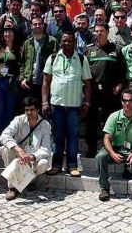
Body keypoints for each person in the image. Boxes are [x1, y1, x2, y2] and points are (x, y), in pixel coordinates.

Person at [42, 31, 92, 177]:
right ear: (60, 42)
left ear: (74, 43)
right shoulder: (52, 58)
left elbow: (88, 83)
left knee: (73, 136)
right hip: (56, 104)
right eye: (64, 40)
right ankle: (56, 165)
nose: (67, 43)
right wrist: (44, 102)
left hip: (75, 106)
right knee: (57, 136)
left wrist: (87, 103)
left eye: (70, 41)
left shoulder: (82, 59)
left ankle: (72, 166)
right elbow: (46, 82)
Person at [97, 89, 132, 201]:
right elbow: (106, 138)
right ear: (121, 102)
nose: (127, 103)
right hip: (116, 147)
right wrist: (112, 153)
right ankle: (104, 188)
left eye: (130, 101)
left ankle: (128, 167)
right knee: (101, 156)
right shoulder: (114, 116)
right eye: (124, 100)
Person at [0, 97, 52, 201]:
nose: (29, 112)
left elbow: (46, 148)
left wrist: (32, 157)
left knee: (44, 163)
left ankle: (29, 181)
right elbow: (4, 135)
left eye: (32, 110)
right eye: (26, 110)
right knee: (7, 149)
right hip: (19, 154)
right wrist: (18, 150)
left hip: (33, 155)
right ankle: (12, 188)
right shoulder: (18, 120)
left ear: (37, 110)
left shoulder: (45, 125)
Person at [84, 22, 124, 157]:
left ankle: (111, 148)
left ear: (107, 32)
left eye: (101, 31)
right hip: (93, 91)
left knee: (110, 120)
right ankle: (91, 149)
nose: (99, 33)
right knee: (91, 121)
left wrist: (120, 84)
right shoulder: (88, 50)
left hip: (110, 92)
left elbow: (123, 70)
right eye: (96, 31)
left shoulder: (116, 49)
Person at [20, 15, 59, 105]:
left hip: (47, 81)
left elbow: (57, 62)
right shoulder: (27, 43)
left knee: (46, 109)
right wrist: (22, 78)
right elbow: (22, 63)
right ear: (31, 26)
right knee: (32, 108)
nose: (37, 26)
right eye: (35, 24)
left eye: (39, 24)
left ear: (43, 25)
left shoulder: (52, 42)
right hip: (30, 82)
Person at [0, 25, 20, 133]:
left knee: (10, 109)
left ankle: (7, 132)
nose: (7, 34)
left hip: (11, 82)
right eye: (5, 32)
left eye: (10, 32)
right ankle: (2, 128)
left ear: (14, 34)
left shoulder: (18, 48)